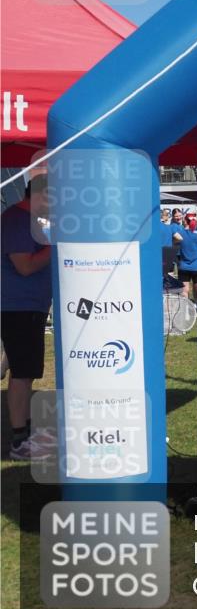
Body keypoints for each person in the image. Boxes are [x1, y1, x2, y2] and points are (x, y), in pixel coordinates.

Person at [1, 178, 56, 460]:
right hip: (19, 308)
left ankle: (25, 433)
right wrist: (55, 247)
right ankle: (20, 440)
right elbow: (25, 266)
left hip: (28, 308)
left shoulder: (28, 220)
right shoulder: (16, 219)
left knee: (27, 372)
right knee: (22, 374)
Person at [174, 212, 197, 310]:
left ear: (185, 221)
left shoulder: (180, 233)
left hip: (185, 266)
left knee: (185, 291)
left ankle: (186, 311)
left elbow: (174, 241)